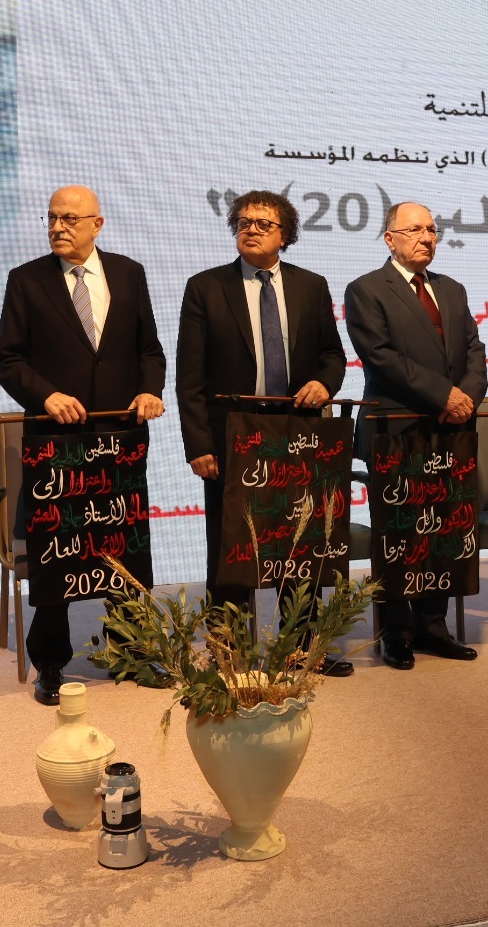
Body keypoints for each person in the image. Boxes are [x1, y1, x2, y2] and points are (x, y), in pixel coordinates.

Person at [0, 185, 167, 704]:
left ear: (97, 223)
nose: (57, 227)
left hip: (120, 440)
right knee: (57, 554)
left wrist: (150, 390)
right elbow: (8, 360)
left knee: (123, 550)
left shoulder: (129, 273)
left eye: (69, 218)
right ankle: (51, 663)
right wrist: (45, 395)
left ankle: (131, 651)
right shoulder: (26, 279)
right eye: (51, 218)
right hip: (57, 444)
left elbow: (150, 349)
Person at [177, 189, 353, 675]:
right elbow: (189, 377)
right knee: (232, 546)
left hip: (297, 433)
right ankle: (230, 651)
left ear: (285, 235)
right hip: (232, 435)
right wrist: (198, 444)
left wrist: (325, 383)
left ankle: (301, 647)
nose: (250, 229)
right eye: (244, 222)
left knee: (298, 543)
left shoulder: (311, 285)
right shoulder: (206, 287)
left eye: (263, 223)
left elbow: (332, 355)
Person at [344, 202, 486, 670]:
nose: (426, 237)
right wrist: (444, 395)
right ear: (390, 239)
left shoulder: (452, 289)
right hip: (395, 430)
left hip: (450, 431)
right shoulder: (366, 289)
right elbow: (380, 357)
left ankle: (433, 628)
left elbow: (473, 350)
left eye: (431, 230)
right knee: (399, 536)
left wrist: (466, 398)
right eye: (414, 230)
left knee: (441, 531)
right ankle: (396, 633)